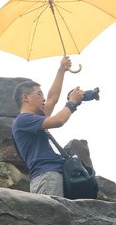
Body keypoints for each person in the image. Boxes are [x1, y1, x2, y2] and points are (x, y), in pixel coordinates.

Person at [11, 56, 85, 197]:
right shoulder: (23, 120)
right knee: (53, 218)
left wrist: (61, 70)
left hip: (52, 174)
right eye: (39, 94)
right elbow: (58, 121)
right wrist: (72, 102)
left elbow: (52, 98)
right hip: (46, 175)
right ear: (25, 98)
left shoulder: (34, 119)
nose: (43, 98)